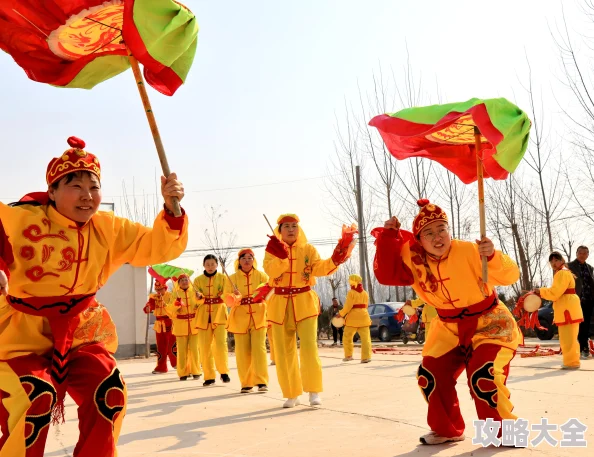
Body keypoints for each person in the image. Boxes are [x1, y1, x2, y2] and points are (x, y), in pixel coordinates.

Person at [0, 137, 187, 457]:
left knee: (109, 391)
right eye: (75, 185)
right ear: (53, 191)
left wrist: (172, 209)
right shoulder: (23, 217)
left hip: (82, 328)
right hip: (21, 332)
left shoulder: (109, 228)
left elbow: (156, 244)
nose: (87, 195)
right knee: (34, 396)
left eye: (94, 186)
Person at [373, 199, 521, 445]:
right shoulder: (414, 259)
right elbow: (387, 274)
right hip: (447, 328)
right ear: (419, 239)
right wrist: (389, 237)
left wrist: (492, 256)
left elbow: (510, 275)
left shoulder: (470, 250)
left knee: (482, 374)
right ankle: (447, 429)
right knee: (429, 373)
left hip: (489, 323)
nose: (437, 237)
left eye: (442, 229)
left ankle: (505, 431)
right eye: (428, 233)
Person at [264, 214, 356, 408]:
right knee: (283, 351)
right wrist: (281, 257)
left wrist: (336, 257)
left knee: (309, 348)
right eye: (286, 226)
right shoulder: (272, 250)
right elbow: (271, 272)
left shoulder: (308, 249)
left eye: (294, 226)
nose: (291, 229)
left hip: (304, 302)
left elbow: (320, 268)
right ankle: (291, 393)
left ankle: (313, 391)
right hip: (279, 304)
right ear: (279, 230)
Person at [224, 249, 269, 393]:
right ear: (239, 261)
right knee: (242, 351)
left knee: (259, 349)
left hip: (259, 315)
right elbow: (226, 298)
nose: (247, 260)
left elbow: (269, 292)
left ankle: (261, 382)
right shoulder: (231, 278)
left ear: (254, 260)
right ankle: (246, 383)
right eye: (244, 258)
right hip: (240, 317)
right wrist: (235, 296)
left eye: (250, 258)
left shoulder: (262, 276)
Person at [535, 252, 583, 369]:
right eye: (551, 262)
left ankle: (571, 363)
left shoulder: (562, 273)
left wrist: (540, 291)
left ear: (562, 260)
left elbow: (555, 293)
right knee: (569, 338)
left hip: (567, 310)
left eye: (556, 260)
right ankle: (572, 361)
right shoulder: (564, 272)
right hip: (568, 308)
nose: (553, 263)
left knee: (568, 338)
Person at [193, 255, 231, 386]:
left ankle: (224, 372)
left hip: (219, 314)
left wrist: (225, 293)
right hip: (203, 316)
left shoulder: (223, 278)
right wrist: (198, 297)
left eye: (212, 264)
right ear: (203, 265)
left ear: (217, 265)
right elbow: (195, 298)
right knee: (204, 347)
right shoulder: (197, 280)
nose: (210, 267)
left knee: (221, 344)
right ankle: (209, 376)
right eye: (207, 264)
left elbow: (227, 293)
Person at [167, 274, 203, 380]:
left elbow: (201, 304)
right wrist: (176, 305)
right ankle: (183, 373)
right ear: (178, 283)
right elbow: (170, 309)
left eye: (186, 279)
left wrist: (199, 298)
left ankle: (196, 371)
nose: (184, 282)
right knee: (182, 351)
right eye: (182, 280)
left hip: (194, 324)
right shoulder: (175, 294)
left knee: (195, 349)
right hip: (180, 324)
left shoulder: (195, 292)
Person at [144, 278, 177, 374]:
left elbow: (174, 307)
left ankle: (176, 363)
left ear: (165, 288)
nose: (158, 291)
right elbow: (149, 306)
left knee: (172, 344)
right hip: (159, 323)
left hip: (169, 321)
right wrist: (148, 307)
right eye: (157, 289)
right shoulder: (153, 297)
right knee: (160, 347)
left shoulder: (171, 296)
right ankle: (161, 367)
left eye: (160, 289)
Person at [567, 246, 594, 359]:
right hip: (576, 300)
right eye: (580, 253)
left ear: (587, 255)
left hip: (589, 300)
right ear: (576, 253)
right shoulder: (569, 266)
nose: (582, 255)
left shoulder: (590, 268)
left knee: (586, 325)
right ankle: (582, 348)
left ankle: (584, 347)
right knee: (578, 325)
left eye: (585, 253)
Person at [339, 274, 372, 363]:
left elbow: (348, 306)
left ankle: (348, 355)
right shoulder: (365, 293)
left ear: (353, 281)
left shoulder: (351, 293)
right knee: (366, 339)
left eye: (350, 280)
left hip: (353, 319)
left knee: (347, 337)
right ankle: (366, 357)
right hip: (364, 317)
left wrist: (340, 314)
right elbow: (366, 305)